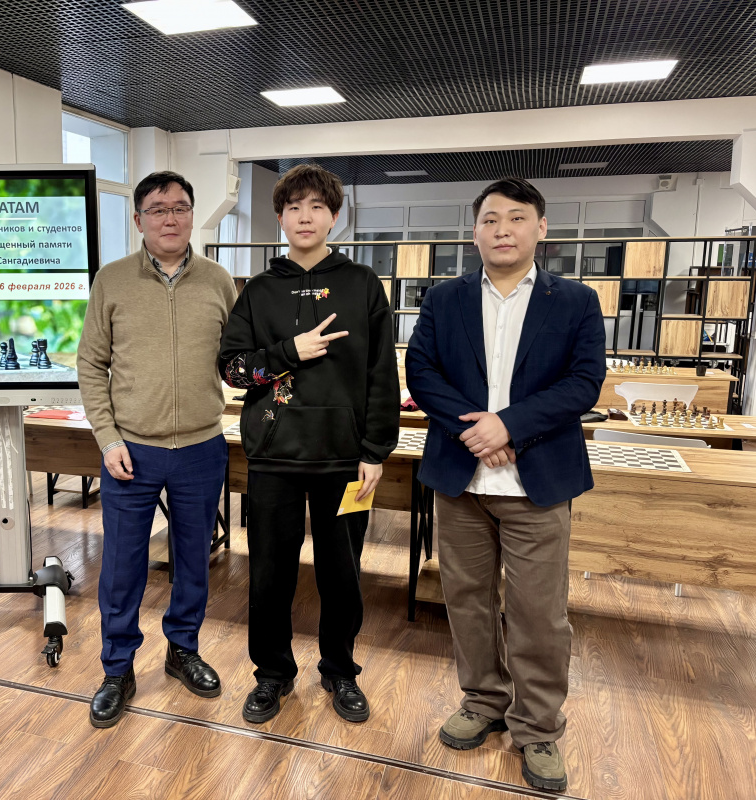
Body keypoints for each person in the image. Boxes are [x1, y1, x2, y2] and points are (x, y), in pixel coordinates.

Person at [405, 177, 606, 792]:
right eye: (490, 219)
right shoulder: (445, 298)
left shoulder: (575, 301)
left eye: (516, 218)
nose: (502, 230)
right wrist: (478, 431)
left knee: (538, 613)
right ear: (475, 232)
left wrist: (510, 425)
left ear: (541, 228)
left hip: (536, 482)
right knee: (465, 600)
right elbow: (421, 371)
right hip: (461, 478)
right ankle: (483, 700)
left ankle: (538, 727)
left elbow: (583, 383)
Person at [219, 164, 400, 725]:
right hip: (273, 456)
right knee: (269, 573)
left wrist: (375, 451)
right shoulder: (258, 291)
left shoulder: (362, 284)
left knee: (342, 573)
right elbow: (233, 369)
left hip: (345, 459)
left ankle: (340, 670)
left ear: (334, 216)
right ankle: (271, 674)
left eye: (317, 206)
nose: (305, 216)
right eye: (294, 206)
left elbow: (381, 374)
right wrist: (288, 352)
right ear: (280, 216)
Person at [77, 171, 238, 728]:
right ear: (138, 219)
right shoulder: (113, 281)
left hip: (201, 446)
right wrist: (108, 437)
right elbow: (90, 365)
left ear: (192, 214)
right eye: (158, 209)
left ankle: (182, 650)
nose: (171, 218)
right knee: (123, 565)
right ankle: (117, 668)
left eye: (180, 207)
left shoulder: (219, 281)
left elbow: (237, 359)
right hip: (131, 451)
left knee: (194, 559)